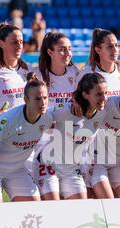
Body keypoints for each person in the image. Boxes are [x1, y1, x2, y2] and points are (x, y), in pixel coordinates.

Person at [0, 74, 54, 203]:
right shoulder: (9, 119)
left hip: (17, 168)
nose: (43, 102)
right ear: (26, 100)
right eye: (37, 99)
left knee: (33, 205)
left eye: (45, 98)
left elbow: (69, 111)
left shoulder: (49, 116)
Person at [37, 73, 108, 200]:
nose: (104, 98)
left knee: (79, 211)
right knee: (53, 208)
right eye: (98, 94)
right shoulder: (67, 110)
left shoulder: (103, 112)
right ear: (86, 95)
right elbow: (38, 113)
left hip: (72, 169)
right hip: (49, 165)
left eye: (105, 93)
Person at [75, 28, 120, 198]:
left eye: (116, 46)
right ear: (98, 49)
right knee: (94, 202)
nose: (115, 50)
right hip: (91, 149)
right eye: (110, 47)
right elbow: (77, 109)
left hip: (116, 147)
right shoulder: (86, 74)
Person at [32, 31, 80, 201]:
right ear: (50, 52)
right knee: (52, 201)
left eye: (69, 49)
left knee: (78, 201)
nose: (68, 54)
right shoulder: (36, 75)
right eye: (62, 50)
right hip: (43, 147)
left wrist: (119, 64)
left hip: (70, 147)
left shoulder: (77, 74)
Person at [0, 23, 33, 114]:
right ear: (2, 44)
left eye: (21, 41)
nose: (19, 46)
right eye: (14, 42)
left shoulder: (28, 69)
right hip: (0, 127)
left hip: (25, 127)